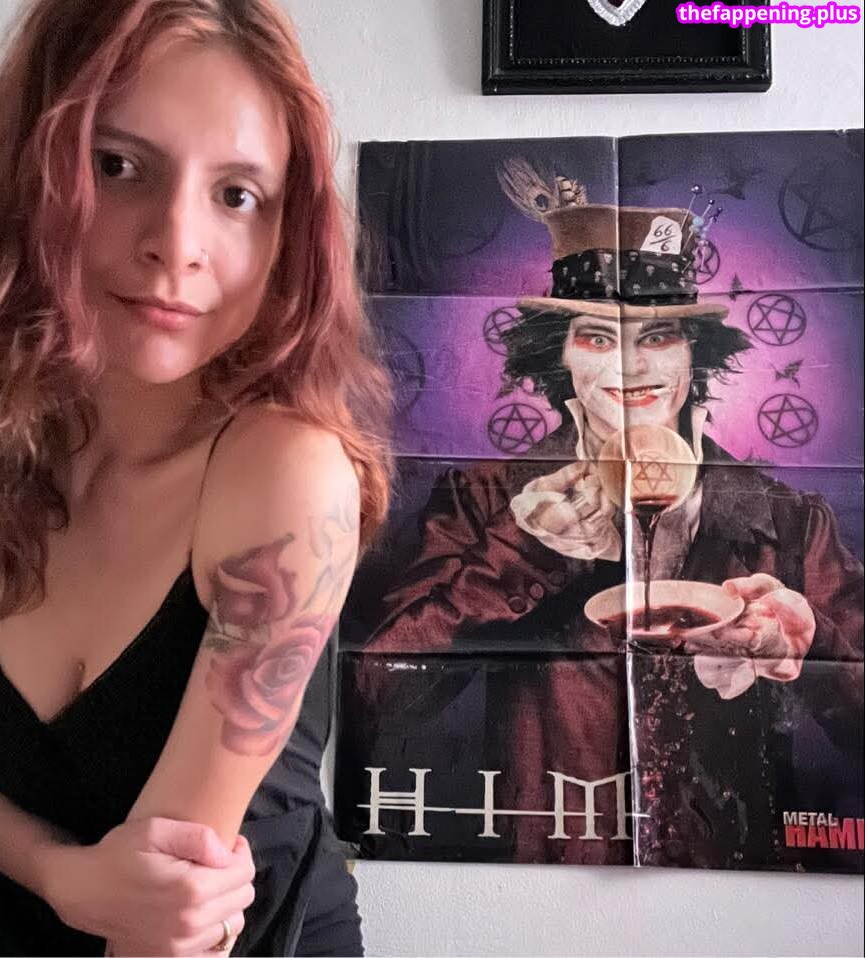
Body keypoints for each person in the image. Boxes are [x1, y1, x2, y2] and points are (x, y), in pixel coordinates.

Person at [0, 1, 391, 954]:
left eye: (237, 194)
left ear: (287, 231)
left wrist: (92, 896)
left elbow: (167, 926)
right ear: (35, 173)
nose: (177, 242)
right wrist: (65, 880)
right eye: (118, 166)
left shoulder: (285, 476)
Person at [359, 198, 863, 868]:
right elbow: (376, 694)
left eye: (658, 336)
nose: (630, 366)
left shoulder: (791, 520)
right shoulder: (482, 499)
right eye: (597, 338)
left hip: (739, 878)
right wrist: (522, 552)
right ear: (560, 356)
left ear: (694, 354)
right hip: (546, 869)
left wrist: (813, 641)